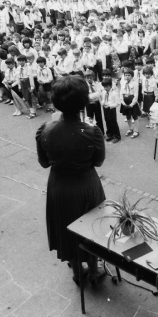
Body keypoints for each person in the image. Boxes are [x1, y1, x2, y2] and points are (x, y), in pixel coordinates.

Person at [36, 75, 106, 286]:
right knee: (91, 227)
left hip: (60, 185)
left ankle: (76, 270)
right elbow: (99, 162)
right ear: (84, 102)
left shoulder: (45, 130)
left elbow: (44, 163)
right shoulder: (92, 132)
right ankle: (93, 271)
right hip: (86, 185)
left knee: (67, 226)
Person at [120, 68, 141, 139]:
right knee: (127, 116)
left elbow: (136, 95)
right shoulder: (123, 83)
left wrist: (132, 104)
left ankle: (136, 130)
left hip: (132, 102)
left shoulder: (135, 84)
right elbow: (121, 94)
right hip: (125, 102)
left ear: (132, 76)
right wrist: (123, 103)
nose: (127, 76)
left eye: (129, 75)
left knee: (135, 116)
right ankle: (130, 128)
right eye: (125, 75)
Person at [101, 77, 121, 144]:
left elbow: (118, 103)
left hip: (111, 109)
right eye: (104, 87)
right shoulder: (104, 92)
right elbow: (103, 99)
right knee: (107, 121)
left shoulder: (114, 93)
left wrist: (110, 106)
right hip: (105, 108)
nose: (105, 88)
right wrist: (102, 103)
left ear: (110, 85)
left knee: (113, 122)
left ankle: (117, 136)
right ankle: (110, 134)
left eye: (107, 86)